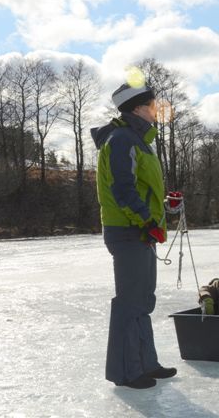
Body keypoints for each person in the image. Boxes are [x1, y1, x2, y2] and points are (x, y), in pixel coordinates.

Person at [91, 81, 176, 389]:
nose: (157, 109)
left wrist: (167, 206)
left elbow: (141, 190)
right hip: (128, 232)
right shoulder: (121, 139)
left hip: (140, 231)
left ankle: (146, 364)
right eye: (153, 104)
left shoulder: (139, 141)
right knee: (130, 302)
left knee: (143, 300)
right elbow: (122, 188)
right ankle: (126, 372)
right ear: (138, 108)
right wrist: (144, 222)